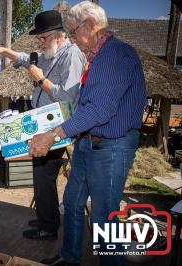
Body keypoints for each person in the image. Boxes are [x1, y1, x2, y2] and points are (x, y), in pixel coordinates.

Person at [29, 2, 147, 265]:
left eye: (72, 32)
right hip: (88, 142)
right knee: (71, 204)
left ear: (91, 26)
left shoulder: (116, 55)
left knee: (104, 216)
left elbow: (99, 110)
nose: (70, 38)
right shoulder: (97, 58)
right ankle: (70, 257)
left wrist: (53, 135)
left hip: (112, 146)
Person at [0, 9, 85, 241]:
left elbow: (68, 99)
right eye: (38, 39)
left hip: (60, 126)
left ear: (58, 35)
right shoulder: (50, 53)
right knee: (42, 174)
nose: (39, 43)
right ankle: (47, 217)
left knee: (43, 174)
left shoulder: (71, 55)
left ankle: (49, 227)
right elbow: (26, 59)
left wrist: (41, 80)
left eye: (43, 38)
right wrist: (5, 51)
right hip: (44, 124)